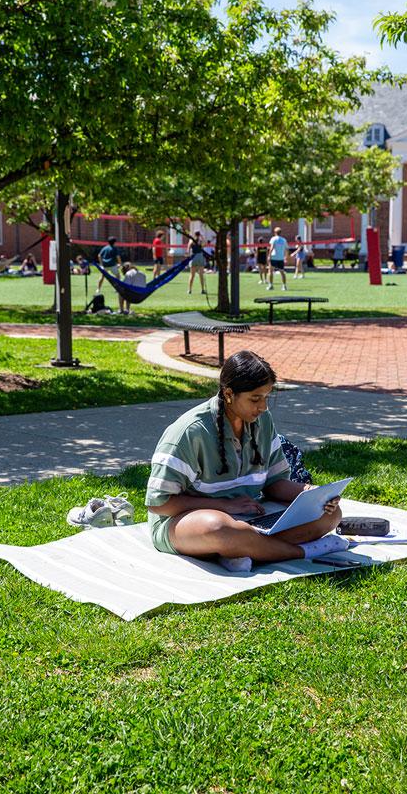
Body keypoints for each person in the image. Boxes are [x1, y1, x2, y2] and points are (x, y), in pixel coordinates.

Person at [145, 350, 342, 570]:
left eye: (267, 397)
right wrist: (224, 505)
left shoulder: (262, 421)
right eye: (255, 398)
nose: (263, 407)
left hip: (249, 518)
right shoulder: (190, 432)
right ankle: (305, 551)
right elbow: (159, 503)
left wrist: (312, 493)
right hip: (186, 522)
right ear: (229, 394)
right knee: (217, 528)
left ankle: (238, 550)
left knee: (328, 515)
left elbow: (275, 484)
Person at [97, 236, 124, 312]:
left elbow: (99, 255)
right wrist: (120, 264)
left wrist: (101, 264)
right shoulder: (114, 248)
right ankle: (117, 289)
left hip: (105, 265)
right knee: (118, 276)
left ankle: (98, 289)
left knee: (102, 277)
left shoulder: (105, 248)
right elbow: (118, 257)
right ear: (114, 242)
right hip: (112, 265)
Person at [267, 226, 288, 291]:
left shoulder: (273, 239)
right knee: (282, 272)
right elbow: (286, 249)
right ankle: (284, 286)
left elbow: (272, 247)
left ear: (275, 232)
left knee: (270, 271)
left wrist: (269, 255)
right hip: (280, 258)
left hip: (274, 257)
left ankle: (270, 285)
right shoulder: (284, 240)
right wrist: (285, 257)